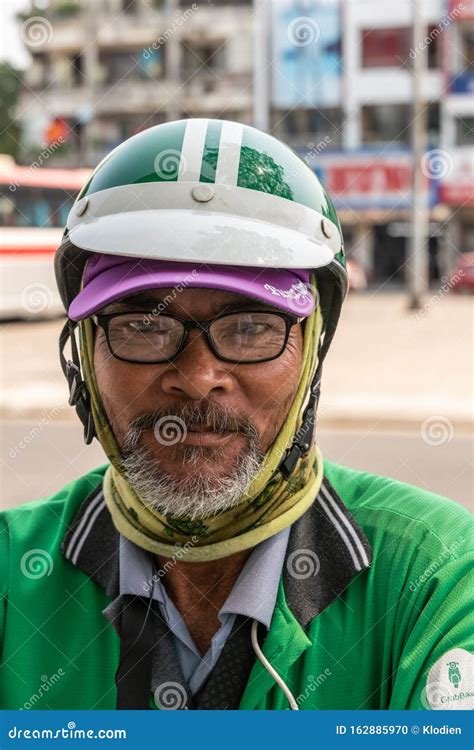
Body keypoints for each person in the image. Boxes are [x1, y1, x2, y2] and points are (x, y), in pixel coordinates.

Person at [0, 119, 472, 711]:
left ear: (312, 354)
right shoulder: (9, 574)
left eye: (250, 327)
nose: (197, 378)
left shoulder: (433, 577)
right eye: (145, 326)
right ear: (85, 358)